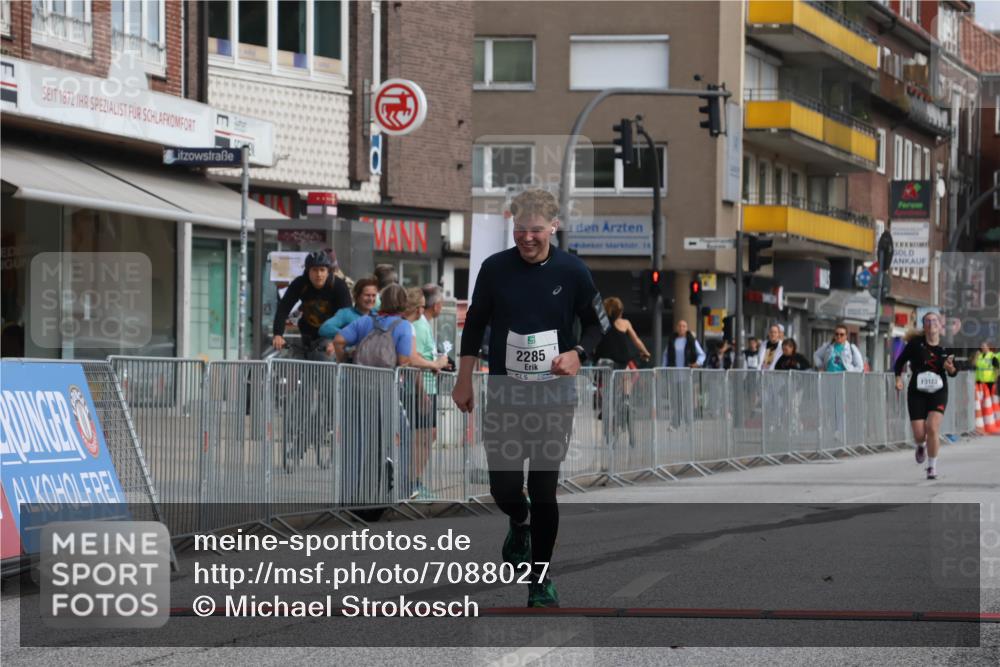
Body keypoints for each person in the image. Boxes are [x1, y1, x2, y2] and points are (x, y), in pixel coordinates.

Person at [451, 188, 608, 608]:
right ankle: (518, 521)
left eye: (536, 229)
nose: (527, 237)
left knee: (543, 488)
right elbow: (475, 325)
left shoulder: (573, 271)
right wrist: (464, 380)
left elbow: (598, 324)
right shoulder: (495, 268)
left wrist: (579, 353)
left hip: (554, 395)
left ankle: (540, 580)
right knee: (503, 487)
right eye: (520, 229)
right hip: (506, 392)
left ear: (553, 226)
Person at [333, 284, 413, 504]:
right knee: (399, 435)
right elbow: (404, 359)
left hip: (357, 388)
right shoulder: (403, 326)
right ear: (403, 303)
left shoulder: (366, 321)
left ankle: (350, 495)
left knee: (356, 440)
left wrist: (344, 361)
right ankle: (399, 489)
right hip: (385, 390)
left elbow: (338, 340)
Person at [894, 312, 958, 480]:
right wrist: (898, 379)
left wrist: (950, 368)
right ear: (924, 326)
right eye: (928, 321)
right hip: (917, 392)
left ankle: (931, 467)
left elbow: (954, 371)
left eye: (934, 320)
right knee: (919, 434)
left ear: (939, 324)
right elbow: (899, 362)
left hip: (938, 391)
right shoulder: (915, 345)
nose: (931, 323)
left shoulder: (947, 346)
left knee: (932, 427)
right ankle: (921, 445)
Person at [404, 286, 449, 500]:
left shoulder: (421, 324)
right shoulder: (419, 326)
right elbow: (415, 361)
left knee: (426, 435)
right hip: (420, 390)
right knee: (423, 437)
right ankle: (412, 483)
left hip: (424, 388)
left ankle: (413, 481)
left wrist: (437, 362)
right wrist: (422, 392)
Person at [272, 251, 352, 360]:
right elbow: (283, 309)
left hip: (331, 336)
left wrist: (337, 341)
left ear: (328, 271)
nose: (318, 274)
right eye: (314, 270)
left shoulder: (339, 286)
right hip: (306, 334)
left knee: (324, 360)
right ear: (307, 271)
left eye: (322, 270)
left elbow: (347, 318)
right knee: (290, 360)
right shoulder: (300, 283)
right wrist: (278, 334)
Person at [593, 296, 651, 369]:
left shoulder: (601, 323)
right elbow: (636, 340)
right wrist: (646, 352)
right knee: (622, 374)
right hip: (620, 362)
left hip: (602, 360)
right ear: (620, 311)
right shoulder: (624, 323)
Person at [318, 277, 379, 342]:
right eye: (367, 295)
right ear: (356, 296)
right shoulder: (346, 313)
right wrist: (349, 335)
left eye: (373, 295)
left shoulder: (378, 316)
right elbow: (324, 328)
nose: (371, 299)